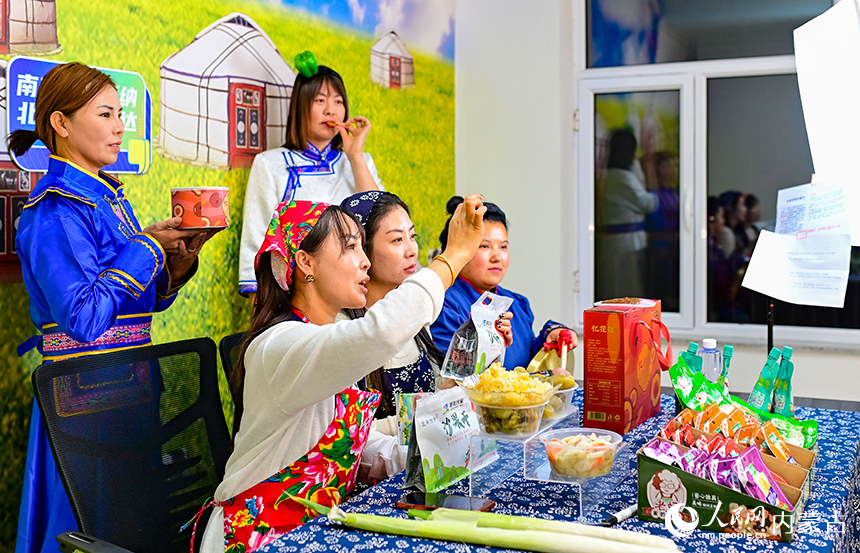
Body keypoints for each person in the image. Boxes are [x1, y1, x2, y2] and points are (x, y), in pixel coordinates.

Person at [198, 194, 487, 552]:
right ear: (306, 262)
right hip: (257, 537)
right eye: (351, 247)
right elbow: (380, 333)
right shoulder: (281, 344)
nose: (365, 261)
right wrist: (453, 256)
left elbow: (360, 449)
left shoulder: (324, 340)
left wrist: (450, 446)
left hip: (315, 529)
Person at [10, 62, 217, 553]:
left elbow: (137, 305)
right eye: (105, 114)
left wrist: (176, 262)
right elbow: (84, 318)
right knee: (92, 534)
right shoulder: (54, 211)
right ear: (60, 123)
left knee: (135, 530)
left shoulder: (107, 200)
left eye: (120, 114)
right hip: (84, 409)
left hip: (131, 395)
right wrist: (147, 247)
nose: (120, 126)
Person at [239, 56, 382, 297]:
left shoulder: (360, 162)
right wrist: (259, 303)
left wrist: (355, 155)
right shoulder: (270, 164)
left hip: (361, 293)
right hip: (297, 297)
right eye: (320, 100)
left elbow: (381, 222)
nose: (330, 110)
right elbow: (257, 239)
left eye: (338, 101)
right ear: (300, 106)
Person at [430, 197, 577, 371]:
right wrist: (546, 377)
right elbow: (457, 375)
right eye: (484, 246)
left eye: (503, 247)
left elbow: (528, 362)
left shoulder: (518, 304)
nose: (497, 257)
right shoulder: (443, 305)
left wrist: (551, 333)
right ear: (459, 250)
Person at [595, 128, 659, 300]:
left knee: (614, 288)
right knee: (627, 292)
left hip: (614, 241)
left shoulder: (608, 176)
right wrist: (650, 173)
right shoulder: (623, 177)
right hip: (626, 242)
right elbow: (649, 204)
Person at [717, 190, 747, 257]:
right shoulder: (725, 232)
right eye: (742, 204)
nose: (745, 209)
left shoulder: (739, 231)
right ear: (730, 206)